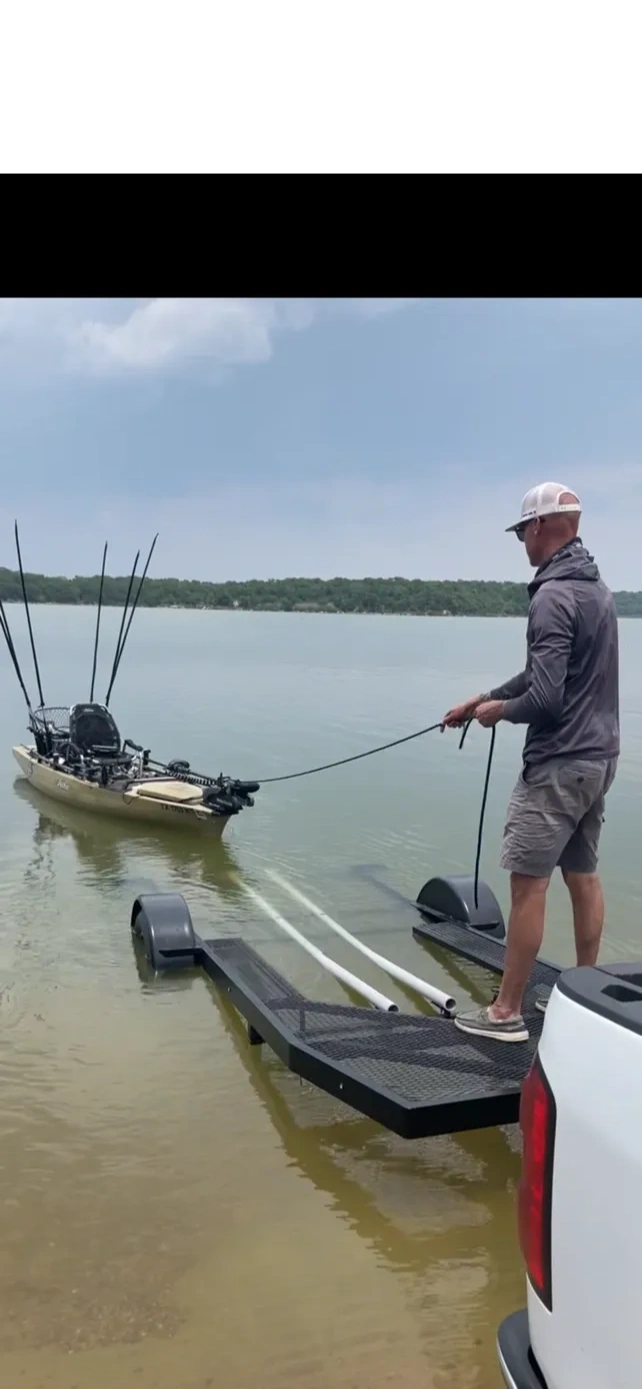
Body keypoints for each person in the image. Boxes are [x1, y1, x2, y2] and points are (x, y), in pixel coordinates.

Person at [442, 482, 619, 1042]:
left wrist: (499, 713)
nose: (521, 541)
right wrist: (481, 700)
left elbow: (544, 700)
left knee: (528, 886)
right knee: (583, 877)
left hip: (557, 766)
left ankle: (505, 1013)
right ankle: (586, 997)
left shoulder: (551, 596)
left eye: (522, 531)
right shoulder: (597, 591)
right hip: (599, 759)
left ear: (541, 527)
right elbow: (545, 676)